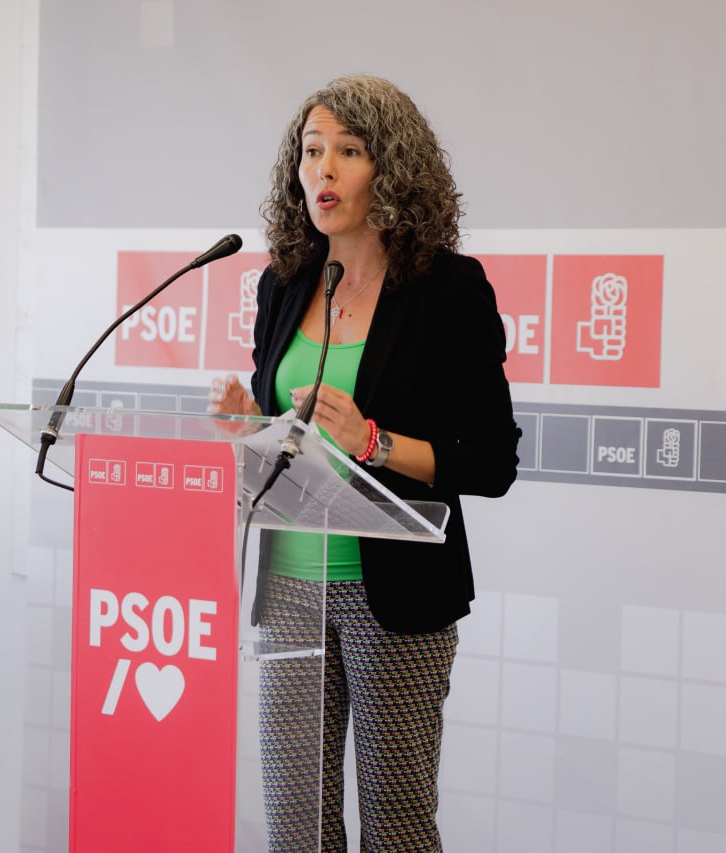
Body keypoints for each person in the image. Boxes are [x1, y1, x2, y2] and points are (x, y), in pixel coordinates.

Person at [208, 74, 520, 852]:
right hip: (289, 587)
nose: (324, 169)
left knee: (396, 829)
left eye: (348, 151)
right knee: (297, 830)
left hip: (398, 595)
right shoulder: (284, 283)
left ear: (392, 167)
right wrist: (248, 428)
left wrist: (373, 441)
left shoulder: (448, 290)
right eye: (312, 151)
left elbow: (491, 461)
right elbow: (286, 437)